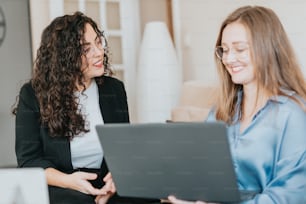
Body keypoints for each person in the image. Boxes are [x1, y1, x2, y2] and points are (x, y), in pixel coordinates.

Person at [168, 5, 306, 204]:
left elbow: (289, 196)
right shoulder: (222, 109)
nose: (228, 59)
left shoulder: (292, 114)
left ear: (267, 49)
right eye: (224, 50)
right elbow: (200, 167)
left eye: (240, 49)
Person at [13, 11, 129, 204]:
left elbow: (122, 149)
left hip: (104, 180)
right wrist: (69, 181)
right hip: (61, 181)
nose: (99, 52)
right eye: (86, 49)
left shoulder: (114, 89)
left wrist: (114, 180)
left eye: (98, 42)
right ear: (65, 57)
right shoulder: (32, 94)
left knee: (146, 196)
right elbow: (29, 160)